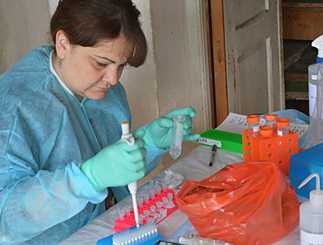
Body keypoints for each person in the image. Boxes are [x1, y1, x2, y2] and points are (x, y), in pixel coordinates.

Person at [0, 0, 198, 244]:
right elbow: (6, 218)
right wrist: (88, 178)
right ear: (63, 44)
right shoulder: (13, 106)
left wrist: (147, 145)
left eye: (121, 65)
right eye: (101, 64)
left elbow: (113, 170)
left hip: (110, 226)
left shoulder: (104, 91)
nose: (113, 79)